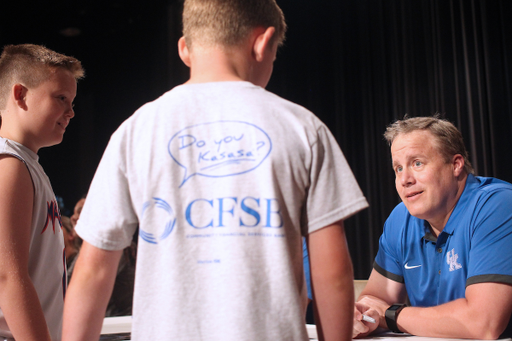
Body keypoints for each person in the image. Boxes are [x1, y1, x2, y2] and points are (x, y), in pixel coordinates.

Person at [62, 0, 368, 340]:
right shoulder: (303, 128)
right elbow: (334, 275)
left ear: (184, 50)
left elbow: (91, 273)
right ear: (263, 43)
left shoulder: (136, 130)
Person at [353, 116, 512, 339]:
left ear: (456, 164)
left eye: (417, 163)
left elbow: (483, 323)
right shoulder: (400, 218)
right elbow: (376, 300)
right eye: (398, 168)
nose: (404, 179)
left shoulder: (498, 206)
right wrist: (363, 315)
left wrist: (391, 316)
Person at [0, 44, 83, 341]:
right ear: (20, 95)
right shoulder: (8, 165)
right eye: (61, 98)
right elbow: (7, 277)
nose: (71, 112)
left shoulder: (25, 164)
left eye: (72, 101)